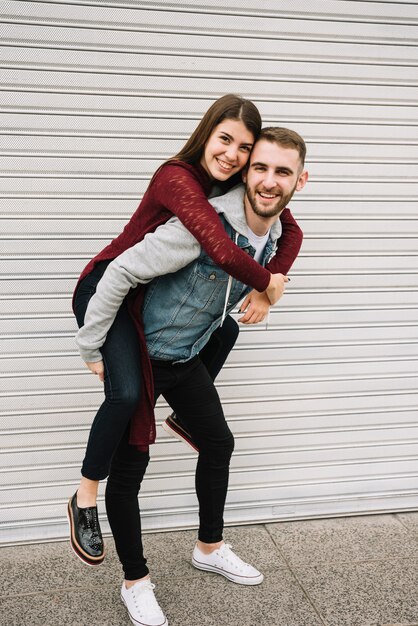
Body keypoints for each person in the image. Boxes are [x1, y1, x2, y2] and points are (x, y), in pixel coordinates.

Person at [73, 127, 308, 626]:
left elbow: (292, 240)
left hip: (184, 360)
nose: (268, 181)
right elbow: (116, 275)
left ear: (299, 182)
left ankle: (208, 547)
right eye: (259, 168)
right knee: (130, 470)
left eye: (281, 172)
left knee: (219, 445)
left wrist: (270, 287)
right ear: (245, 174)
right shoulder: (196, 227)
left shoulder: (273, 234)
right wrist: (92, 346)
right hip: (139, 355)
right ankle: (135, 581)